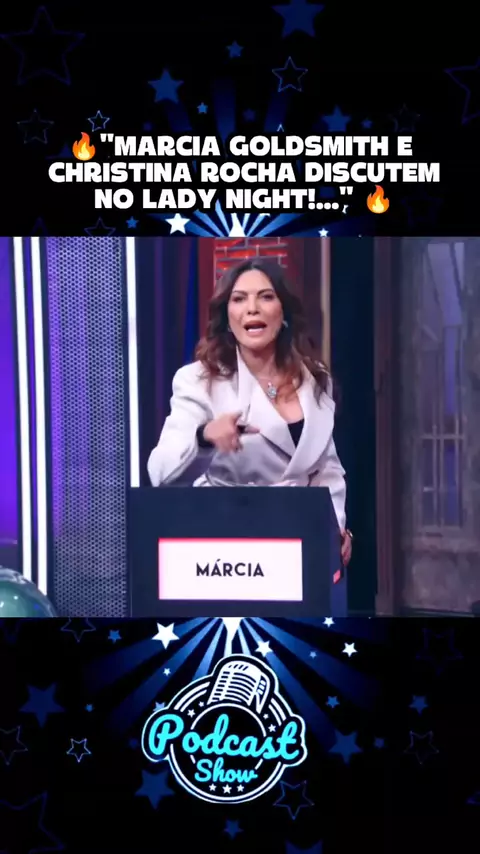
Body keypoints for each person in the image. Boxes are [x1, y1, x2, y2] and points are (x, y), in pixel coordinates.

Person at [147, 257, 352, 566]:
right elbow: (160, 473)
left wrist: (333, 528)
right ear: (227, 316)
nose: (252, 308)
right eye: (239, 299)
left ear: (283, 312)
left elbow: (327, 469)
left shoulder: (314, 378)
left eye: (266, 297)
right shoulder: (199, 381)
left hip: (299, 544)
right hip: (227, 548)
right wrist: (203, 438)